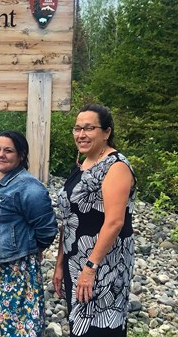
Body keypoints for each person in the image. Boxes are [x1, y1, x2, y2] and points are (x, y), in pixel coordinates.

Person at [53, 104, 136, 337]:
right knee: (79, 326)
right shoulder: (82, 163)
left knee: (100, 328)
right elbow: (69, 218)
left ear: (106, 132)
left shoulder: (116, 166)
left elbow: (114, 222)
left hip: (103, 265)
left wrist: (90, 268)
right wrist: (60, 263)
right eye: (77, 128)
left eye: (89, 128)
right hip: (74, 261)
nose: (81, 134)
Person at [0, 131, 57, 336]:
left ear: (21, 155)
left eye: (8, 151)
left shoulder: (29, 188)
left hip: (13, 271)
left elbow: (47, 230)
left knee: (18, 327)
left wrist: (31, 250)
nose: (1, 155)